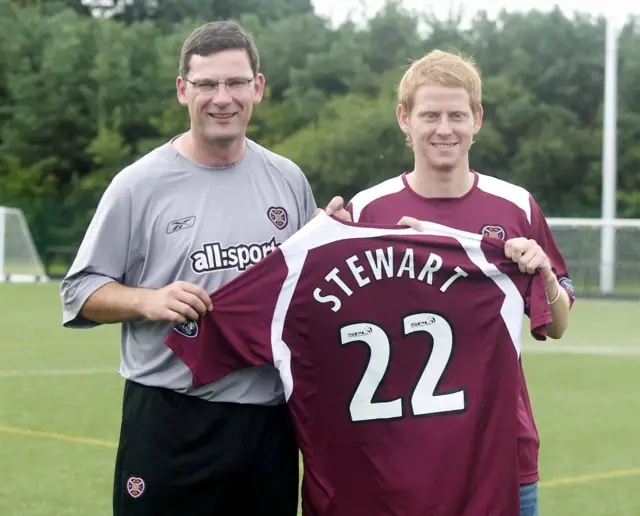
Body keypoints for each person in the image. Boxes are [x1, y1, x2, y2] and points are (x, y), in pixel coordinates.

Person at [60, 20, 318, 516]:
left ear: (257, 88)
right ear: (183, 90)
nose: (223, 98)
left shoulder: (287, 179)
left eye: (236, 82)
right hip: (170, 419)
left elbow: (304, 289)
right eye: (206, 84)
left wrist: (337, 235)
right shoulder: (139, 185)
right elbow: (78, 292)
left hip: (269, 422)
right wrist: (147, 300)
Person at [164, 211, 554, 516]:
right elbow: (546, 314)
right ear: (407, 121)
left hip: (354, 495)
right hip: (456, 494)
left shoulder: (304, 261)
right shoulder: (485, 264)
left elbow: (203, 335)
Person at [343, 50, 575, 516]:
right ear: (404, 119)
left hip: (500, 450)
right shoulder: (367, 211)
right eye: (430, 115)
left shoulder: (515, 206)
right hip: (398, 452)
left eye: (456, 115)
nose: (444, 129)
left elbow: (556, 326)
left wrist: (545, 273)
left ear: (478, 119)